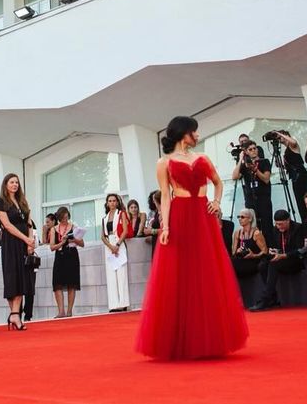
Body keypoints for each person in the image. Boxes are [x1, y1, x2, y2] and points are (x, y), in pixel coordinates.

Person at [135, 115, 248, 360]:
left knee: (206, 274)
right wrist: (165, 226)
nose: (197, 136)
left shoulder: (203, 158)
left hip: (203, 216)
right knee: (180, 275)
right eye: (193, 132)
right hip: (180, 217)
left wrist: (217, 203)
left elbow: (218, 183)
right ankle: (178, 339)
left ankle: (211, 337)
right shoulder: (163, 163)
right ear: (182, 133)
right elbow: (165, 195)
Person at [0, 173, 34, 331]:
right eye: (12, 182)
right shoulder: (1, 202)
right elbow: (8, 226)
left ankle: (14, 314)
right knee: (12, 277)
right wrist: (26, 239)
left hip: (24, 243)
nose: (15, 185)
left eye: (17, 182)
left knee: (22, 277)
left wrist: (30, 241)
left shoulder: (23, 201)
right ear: (5, 184)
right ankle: (15, 314)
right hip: (11, 244)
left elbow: (29, 223)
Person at [249, 210, 303, 311]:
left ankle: (265, 299)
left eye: (281, 224)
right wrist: (272, 252)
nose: (279, 227)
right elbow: (273, 246)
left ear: (288, 220)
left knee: (274, 264)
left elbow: (301, 249)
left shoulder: (298, 228)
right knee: (262, 265)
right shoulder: (275, 230)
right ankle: (272, 297)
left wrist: (284, 255)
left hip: (295, 260)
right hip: (280, 258)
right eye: (277, 224)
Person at [267, 130, 307, 222]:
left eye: (280, 137)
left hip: (300, 174)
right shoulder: (286, 151)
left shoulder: (292, 146)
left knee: (303, 199)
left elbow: (294, 142)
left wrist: (279, 133)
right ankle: (305, 221)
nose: (279, 139)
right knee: (299, 202)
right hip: (294, 176)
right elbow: (289, 167)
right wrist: (281, 165)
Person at [48, 206, 82, 318]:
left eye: (67, 217)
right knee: (57, 283)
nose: (65, 220)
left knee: (71, 283)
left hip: (72, 255)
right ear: (59, 218)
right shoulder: (54, 229)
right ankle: (61, 311)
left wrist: (74, 240)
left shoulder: (74, 226)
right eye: (63, 218)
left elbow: (82, 243)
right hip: (60, 256)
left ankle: (69, 311)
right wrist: (61, 243)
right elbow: (52, 247)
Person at [231, 143, 273, 236]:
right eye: (250, 149)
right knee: (252, 227)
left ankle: (269, 247)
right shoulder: (245, 165)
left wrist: (255, 170)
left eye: (255, 148)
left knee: (267, 226)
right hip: (250, 200)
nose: (253, 150)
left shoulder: (264, 162)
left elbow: (266, 179)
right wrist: (240, 160)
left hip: (263, 199)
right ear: (246, 152)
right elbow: (234, 177)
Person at [101, 193, 132, 312]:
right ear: (107, 203)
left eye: (114, 201)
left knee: (121, 273)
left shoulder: (121, 214)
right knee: (111, 275)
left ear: (117, 202)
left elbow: (125, 230)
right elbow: (102, 236)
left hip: (119, 243)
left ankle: (123, 303)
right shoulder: (104, 218)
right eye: (110, 201)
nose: (112, 203)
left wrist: (117, 244)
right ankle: (114, 304)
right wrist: (110, 246)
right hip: (109, 245)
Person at [230, 208, 267, 283]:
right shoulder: (237, 232)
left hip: (253, 260)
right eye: (238, 217)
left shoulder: (256, 233)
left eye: (242, 217)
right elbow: (233, 252)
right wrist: (237, 251)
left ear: (250, 219)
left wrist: (254, 255)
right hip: (240, 259)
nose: (240, 219)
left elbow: (265, 251)